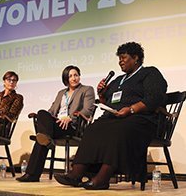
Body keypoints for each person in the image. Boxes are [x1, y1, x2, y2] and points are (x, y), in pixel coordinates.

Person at [54, 42, 168, 190]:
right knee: (93, 129)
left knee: (118, 130)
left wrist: (131, 109)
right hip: (116, 118)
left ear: (136, 58)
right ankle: (76, 174)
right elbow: (108, 101)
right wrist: (101, 93)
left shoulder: (150, 73)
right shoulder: (118, 80)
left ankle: (102, 178)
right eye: (119, 58)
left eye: (123, 58)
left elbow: (155, 97)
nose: (120, 61)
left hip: (141, 119)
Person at [16, 65, 95, 182]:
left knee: (42, 137)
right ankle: (46, 139)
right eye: (70, 76)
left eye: (76, 75)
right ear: (65, 79)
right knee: (42, 114)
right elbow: (52, 111)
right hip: (57, 125)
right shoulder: (61, 93)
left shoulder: (87, 89)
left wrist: (70, 117)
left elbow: (88, 110)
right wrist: (44, 118)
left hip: (72, 126)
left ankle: (32, 174)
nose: (74, 78)